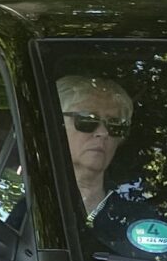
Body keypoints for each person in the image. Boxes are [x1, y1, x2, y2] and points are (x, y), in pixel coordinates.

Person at [57, 72, 134, 230]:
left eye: (115, 124)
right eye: (87, 119)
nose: (103, 132)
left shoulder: (137, 218)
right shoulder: (32, 202)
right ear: (56, 125)